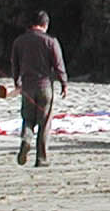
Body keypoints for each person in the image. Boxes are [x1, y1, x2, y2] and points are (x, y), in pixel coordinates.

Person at [8, 10, 67, 166]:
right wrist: (64, 83)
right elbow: (58, 64)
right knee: (44, 121)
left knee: (27, 119)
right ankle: (41, 158)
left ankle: (26, 140)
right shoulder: (51, 41)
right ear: (45, 24)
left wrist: (16, 81)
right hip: (45, 86)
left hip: (27, 86)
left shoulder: (19, 41)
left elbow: (14, 64)